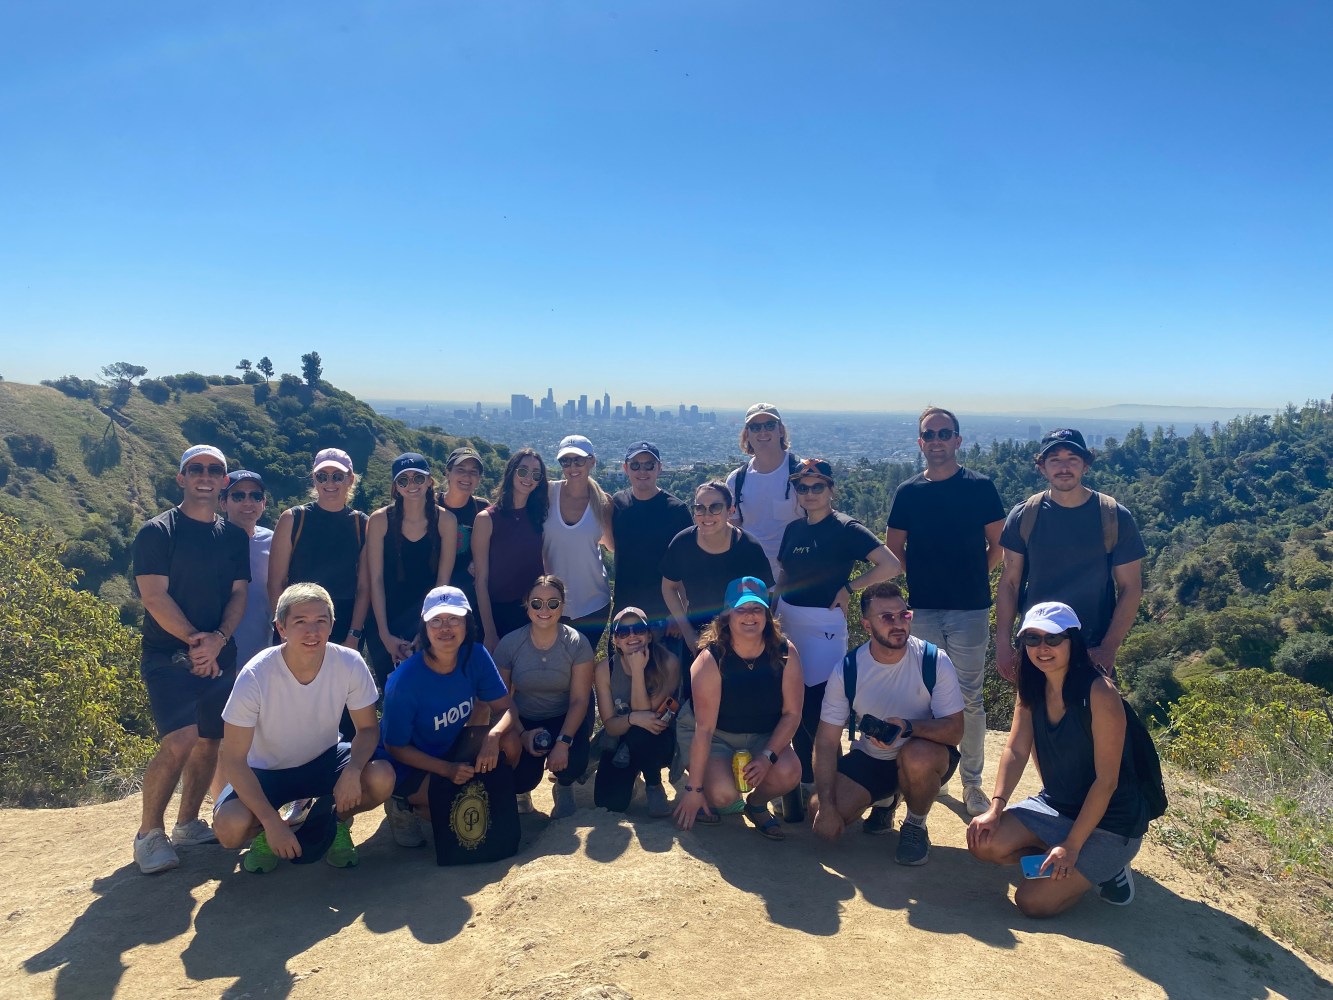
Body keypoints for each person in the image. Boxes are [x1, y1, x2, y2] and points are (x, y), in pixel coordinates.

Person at [966, 602, 1147, 914]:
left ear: (1072, 642)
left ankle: (1107, 867)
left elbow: (1107, 782)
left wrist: (1073, 846)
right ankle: (1063, 856)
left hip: (1111, 822)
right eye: (1032, 640)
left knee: (1032, 902)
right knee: (984, 842)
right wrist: (995, 809)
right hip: (1056, 806)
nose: (1042, 648)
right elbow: (1016, 750)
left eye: (1053, 638)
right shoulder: (1032, 686)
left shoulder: (1099, 693)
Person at [213, 583, 395, 872]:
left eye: (321, 621)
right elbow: (234, 759)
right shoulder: (255, 675)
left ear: (332, 625)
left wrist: (353, 770)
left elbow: (368, 730)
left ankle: (334, 825)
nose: (312, 631)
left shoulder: (348, 662)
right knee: (229, 827)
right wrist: (272, 823)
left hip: (324, 760)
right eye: (300, 622)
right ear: (281, 627)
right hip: (265, 772)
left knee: (381, 777)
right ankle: (266, 832)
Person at [131, 445, 250, 874]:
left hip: (220, 652)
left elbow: (239, 593)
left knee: (210, 741)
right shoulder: (157, 532)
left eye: (214, 470)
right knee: (179, 740)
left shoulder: (234, 536)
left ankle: (187, 823)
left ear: (223, 480)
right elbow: (153, 595)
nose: (205, 476)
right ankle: (148, 834)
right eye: (196, 469)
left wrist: (217, 640)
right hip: (167, 654)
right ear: (181, 478)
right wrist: (196, 642)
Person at [885, 406, 1006, 817]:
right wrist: (919, 581)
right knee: (923, 697)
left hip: (970, 608)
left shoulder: (980, 487)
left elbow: (999, 545)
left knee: (969, 697)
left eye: (944, 433)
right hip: (923, 609)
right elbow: (893, 550)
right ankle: (923, 776)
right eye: (929, 434)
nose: (936, 440)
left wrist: (972, 576)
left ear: (957, 440)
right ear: (920, 443)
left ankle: (973, 784)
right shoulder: (908, 493)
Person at [775, 458, 899, 820]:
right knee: (791, 709)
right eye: (802, 487)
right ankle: (802, 786)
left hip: (823, 628)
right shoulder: (793, 529)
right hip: (788, 621)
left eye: (817, 487)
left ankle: (836, 790)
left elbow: (890, 564)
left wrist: (850, 587)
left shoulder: (846, 528)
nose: (809, 493)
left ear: (831, 490)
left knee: (820, 711)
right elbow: (784, 575)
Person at [810, 581, 964, 865]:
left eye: (904, 615)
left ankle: (916, 825)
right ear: (867, 625)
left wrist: (908, 726)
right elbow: (826, 741)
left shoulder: (933, 660)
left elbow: (955, 729)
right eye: (887, 618)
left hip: (925, 756)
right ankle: (887, 799)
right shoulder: (848, 670)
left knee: (915, 756)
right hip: (872, 757)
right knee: (819, 811)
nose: (898, 624)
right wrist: (828, 806)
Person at [995, 429, 1146, 682]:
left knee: (1098, 721)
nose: (1064, 467)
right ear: (1042, 467)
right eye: (1054, 459)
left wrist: (1109, 648)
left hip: (1092, 651)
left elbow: (1131, 588)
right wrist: (1003, 646)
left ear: (1085, 465)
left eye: (1072, 459)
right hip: (1036, 649)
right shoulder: (1024, 516)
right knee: (1033, 721)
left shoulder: (1114, 516)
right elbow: (1009, 583)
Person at [378, 586, 521, 848]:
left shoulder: (476, 655)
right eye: (436, 621)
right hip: (408, 763)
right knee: (450, 812)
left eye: (454, 619)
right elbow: (395, 747)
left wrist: (493, 735)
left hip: (449, 747)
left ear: (467, 622)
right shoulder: (404, 681)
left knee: (510, 742)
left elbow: (507, 708)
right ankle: (403, 804)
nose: (445, 628)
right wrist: (447, 770)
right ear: (425, 628)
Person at [672, 578, 803, 840]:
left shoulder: (785, 652)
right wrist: (694, 789)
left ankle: (756, 805)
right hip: (716, 734)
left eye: (757, 608)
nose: (750, 615)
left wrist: (766, 756)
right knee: (723, 794)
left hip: (761, 735)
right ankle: (701, 778)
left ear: (767, 613)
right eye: (741, 609)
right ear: (727, 614)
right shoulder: (710, 659)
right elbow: (704, 729)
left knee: (789, 771)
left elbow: (792, 714)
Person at [493, 575, 596, 819]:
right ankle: (521, 792)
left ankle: (564, 786)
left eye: (553, 603)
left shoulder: (577, 643)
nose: (544, 610)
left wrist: (563, 742)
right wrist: (521, 734)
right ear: (526, 605)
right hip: (524, 718)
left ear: (562, 605)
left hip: (564, 717)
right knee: (521, 776)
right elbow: (502, 700)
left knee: (574, 761)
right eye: (537, 603)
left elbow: (580, 699)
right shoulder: (510, 644)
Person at [362, 453, 458, 690]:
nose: (411, 485)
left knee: (429, 691)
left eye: (418, 478)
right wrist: (384, 635)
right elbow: (376, 580)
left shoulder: (445, 520)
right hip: (385, 618)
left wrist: (424, 631)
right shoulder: (379, 520)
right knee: (392, 693)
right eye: (403, 480)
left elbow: (442, 583)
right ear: (395, 487)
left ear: (429, 481)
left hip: (428, 619)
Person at [268, 448, 369, 647]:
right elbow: (275, 583)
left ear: (350, 480)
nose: (329, 483)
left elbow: (364, 588)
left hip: (342, 628)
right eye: (322, 476)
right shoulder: (293, 519)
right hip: (296, 624)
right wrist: (283, 629)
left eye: (337, 476)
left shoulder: (362, 524)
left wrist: (354, 634)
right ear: (314, 480)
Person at [661, 481, 774, 659]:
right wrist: (687, 632)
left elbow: (764, 596)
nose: (707, 515)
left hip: (742, 635)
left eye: (715, 507)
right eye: (700, 508)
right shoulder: (682, 544)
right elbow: (668, 586)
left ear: (731, 510)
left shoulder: (749, 548)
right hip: (697, 634)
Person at [592, 607, 681, 817]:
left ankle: (653, 784)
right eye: (623, 632)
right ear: (615, 640)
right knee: (609, 802)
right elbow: (611, 727)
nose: (632, 636)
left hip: (658, 738)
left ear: (649, 635)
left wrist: (638, 670)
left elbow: (648, 716)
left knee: (642, 731)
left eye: (638, 629)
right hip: (620, 740)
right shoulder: (605, 669)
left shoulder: (669, 662)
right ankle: (632, 776)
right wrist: (632, 718)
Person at [609, 441, 692, 637]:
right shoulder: (617, 503)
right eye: (635, 465)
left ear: (659, 468)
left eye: (649, 465)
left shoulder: (676, 511)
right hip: (624, 610)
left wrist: (680, 614)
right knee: (620, 668)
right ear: (625, 468)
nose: (642, 471)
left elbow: (689, 565)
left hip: (664, 614)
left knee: (666, 667)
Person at [473, 449, 549, 651]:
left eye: (535, 474)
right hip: (499, 614)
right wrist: (490, 632)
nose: (528, 478)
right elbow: (481, 581)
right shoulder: (486, 519)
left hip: (535, 612)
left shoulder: (540, 516)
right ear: (511, 472)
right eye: (523, 471)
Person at [544, 434, 613, 651]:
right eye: (566, 461)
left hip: (593, 601)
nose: (572, 466)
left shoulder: (603, 502)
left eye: (579, 460)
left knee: (584, 667)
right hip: (550, 603)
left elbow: (611, 545)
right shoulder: (546, 493)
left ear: (592, 461)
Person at [726, 403, 802, 580]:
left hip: (796, 579)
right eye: (755, 427)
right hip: (751, 579)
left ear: (781, 430)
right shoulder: (737, 480)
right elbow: (733, 532)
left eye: (769, 425)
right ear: (747, 434)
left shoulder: (801, 473)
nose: (763, 432)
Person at [221, 470, 274, 670]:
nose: (248, 502)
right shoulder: (209, 542)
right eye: (238, 496)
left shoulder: (275, 542)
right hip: (214, 657)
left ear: (264, 503)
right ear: (223, 503)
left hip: (261, 657)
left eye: (255, 496)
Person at [439, 447, 488, 617]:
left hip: (468, 597)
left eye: (473, 472)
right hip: (431, 591)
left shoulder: (482, 509)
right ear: (447, 473)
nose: (467, 477)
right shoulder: (430, 507)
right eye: (460, 470)